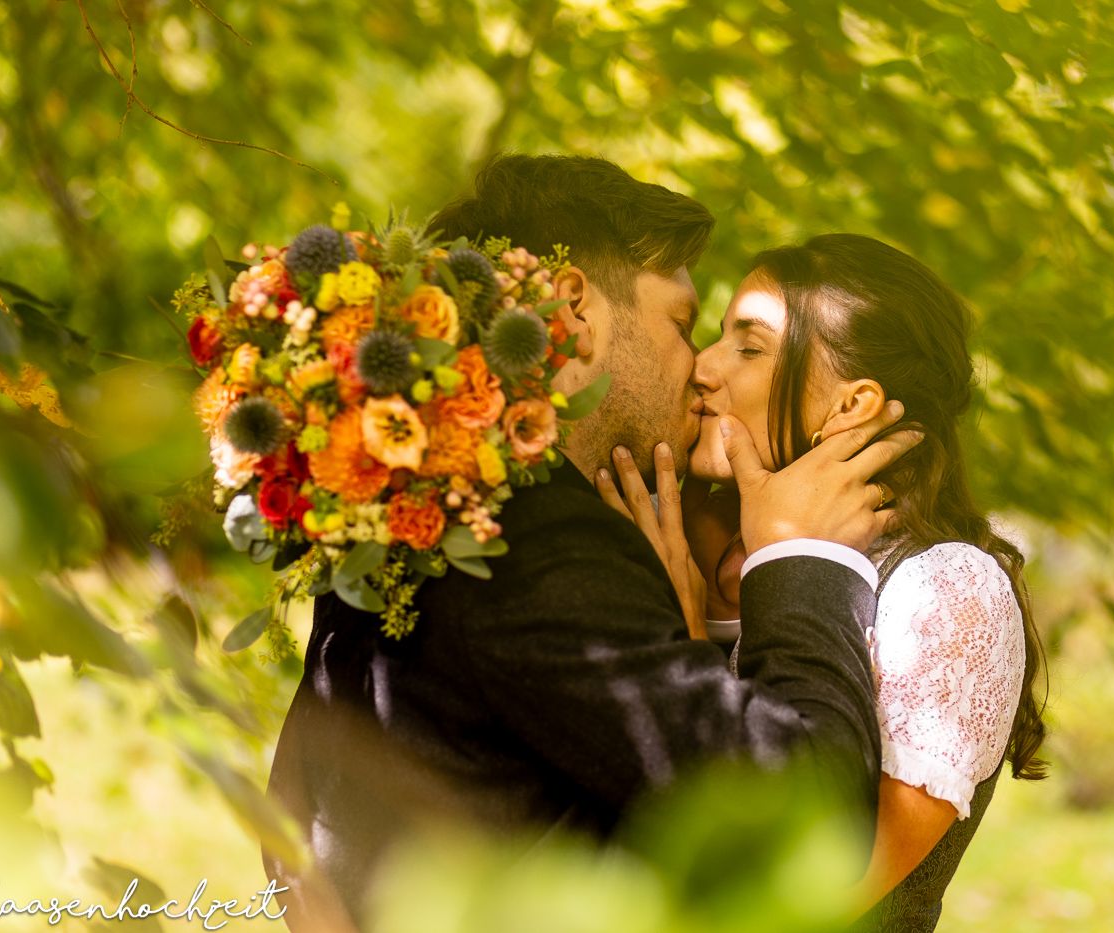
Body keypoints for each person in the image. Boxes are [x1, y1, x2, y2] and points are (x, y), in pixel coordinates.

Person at [261, 158, 923, 930]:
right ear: (575, 308)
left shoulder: (423, 513)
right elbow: (798, 822)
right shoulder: (538, 547)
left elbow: (298, 819)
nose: (699, 367)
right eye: (682, 324)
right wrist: (801, 556)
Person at [598, 234, 1048, 932]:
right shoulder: (684, 544)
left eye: (748, 349)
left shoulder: (947, 591)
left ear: (851, 406)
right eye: (713, 338)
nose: (703, 369)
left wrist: (686, 642)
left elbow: (806, 897)